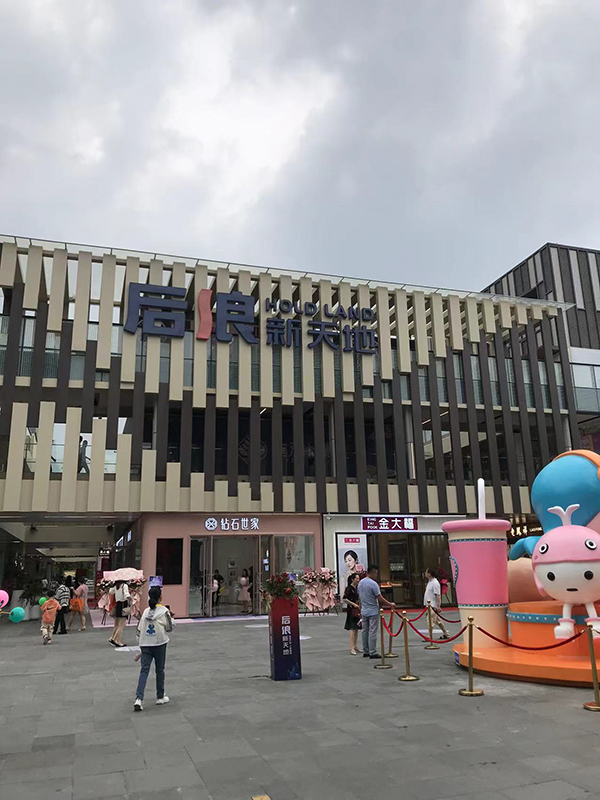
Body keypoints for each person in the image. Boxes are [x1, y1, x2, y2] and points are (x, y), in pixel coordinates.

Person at [134, 586, 175, 711]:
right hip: (159, 643)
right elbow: (169, 628)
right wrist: (172, 618)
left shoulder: (145, 611)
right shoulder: (164, 611)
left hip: (145, 643)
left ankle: (139, 699)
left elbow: (139, 629)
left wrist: (140, 646)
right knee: (160, 670)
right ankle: (160, 696)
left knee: (144, 671)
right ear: (160, 597)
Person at [357, 565, 396, 659]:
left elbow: (359, 597)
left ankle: (366, 650)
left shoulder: (360, 583)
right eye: (376, 573)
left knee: (365, 631)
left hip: (364, 610)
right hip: (373, 610)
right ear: (373, 573)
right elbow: (380, 598)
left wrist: (360, 608)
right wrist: (390, 604)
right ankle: (372, 652)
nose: (376, 575)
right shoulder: (373, 584)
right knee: (372, 631)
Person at [424, 568, 449, 640]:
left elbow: (438, 595)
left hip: (432, 605)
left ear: (429, 574)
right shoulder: (430, 582)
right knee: (438, 621)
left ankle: (429, 636)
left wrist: (438, 606)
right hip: (429, 605)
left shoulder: (435, 583)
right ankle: (446, 633)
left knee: (430, 621)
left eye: (426, 572)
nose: (425, 573)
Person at [109, 579, 131, 647]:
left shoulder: (116, 586)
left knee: (117, 624)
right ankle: (117, 641)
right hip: (123, 604)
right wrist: (130, 598)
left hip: (118, 605)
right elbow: (126, 594)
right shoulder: (124, 586)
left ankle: (113, 638)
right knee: (121, 625)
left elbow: (111, 592)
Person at [343, 573, 362, 655]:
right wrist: (353, 604)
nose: (358, 580)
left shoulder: (357, 588)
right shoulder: (349, 588)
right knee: (352, 628)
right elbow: (344, 598)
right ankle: (351, 648)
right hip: (351, 609)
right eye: (357, 578)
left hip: (357, 609)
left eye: (358, 578)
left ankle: (355, 646)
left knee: (356, 628)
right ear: (352, 579)